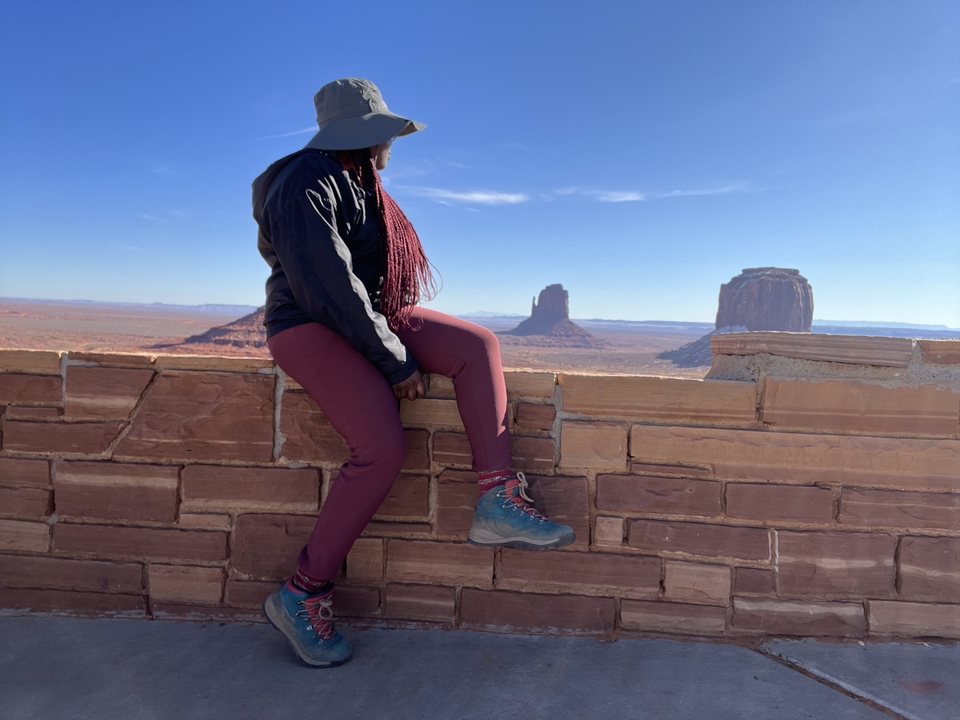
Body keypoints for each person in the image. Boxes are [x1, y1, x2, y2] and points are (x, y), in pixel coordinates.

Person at [252, 78, 574, 668]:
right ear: (363, 133)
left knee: (476, 346)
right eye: (386, 134)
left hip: (367, 313)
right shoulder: (304, 182)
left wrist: (388, 336)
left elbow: (364, 289)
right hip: (309, 324)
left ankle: (497, 502)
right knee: (380, 447)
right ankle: (301, 593)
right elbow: (328, 287)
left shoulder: (357, 177)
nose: (392, 145)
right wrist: (395, 359)